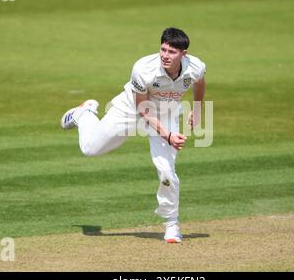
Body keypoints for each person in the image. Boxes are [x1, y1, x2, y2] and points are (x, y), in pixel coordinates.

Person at [60, 27, 206, 243]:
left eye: (172, 52)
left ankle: (171, 224)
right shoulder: (143, 69)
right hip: (130, 109)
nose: (165, 55)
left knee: (167, 172)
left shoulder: (196, 66)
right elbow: (142, 109)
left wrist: (198, 109)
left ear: (183, 54)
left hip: (166, 112)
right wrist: (167, 136)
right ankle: (86, 113)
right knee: (90, 149)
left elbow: (200, 83)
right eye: (163, 49)